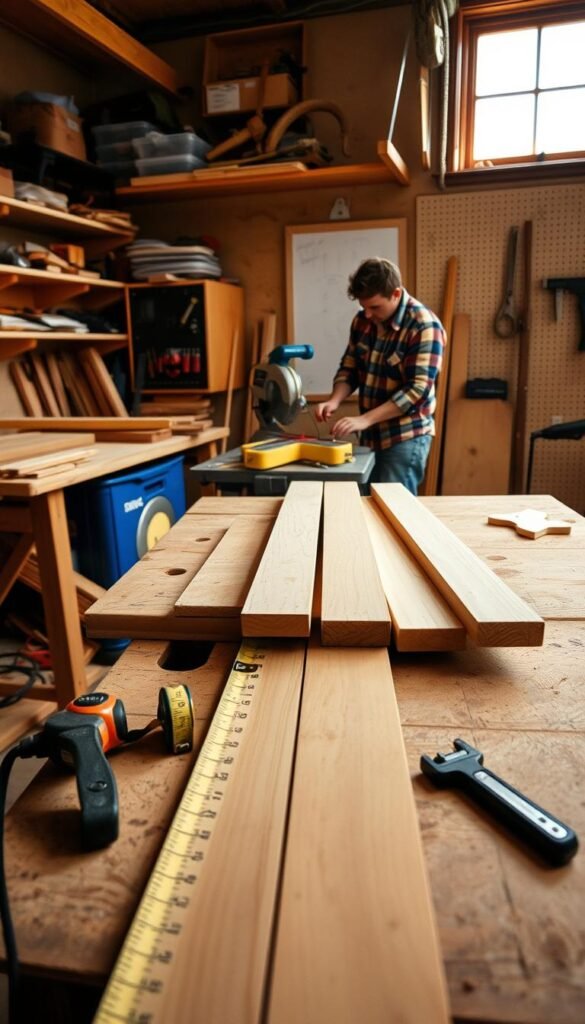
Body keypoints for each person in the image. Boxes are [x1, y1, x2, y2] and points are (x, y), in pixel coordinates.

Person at [315, 257, 445, 494]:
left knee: (395, 511)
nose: (367, 314)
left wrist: (364, 420)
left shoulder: (424, 326)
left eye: (374, 307)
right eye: (363, 307)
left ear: (396, 293)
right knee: (367, 506)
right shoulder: (363, 321)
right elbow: (350, 367)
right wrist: (334, 400)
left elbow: (416, 391)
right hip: (371, 435)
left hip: (405, 437)